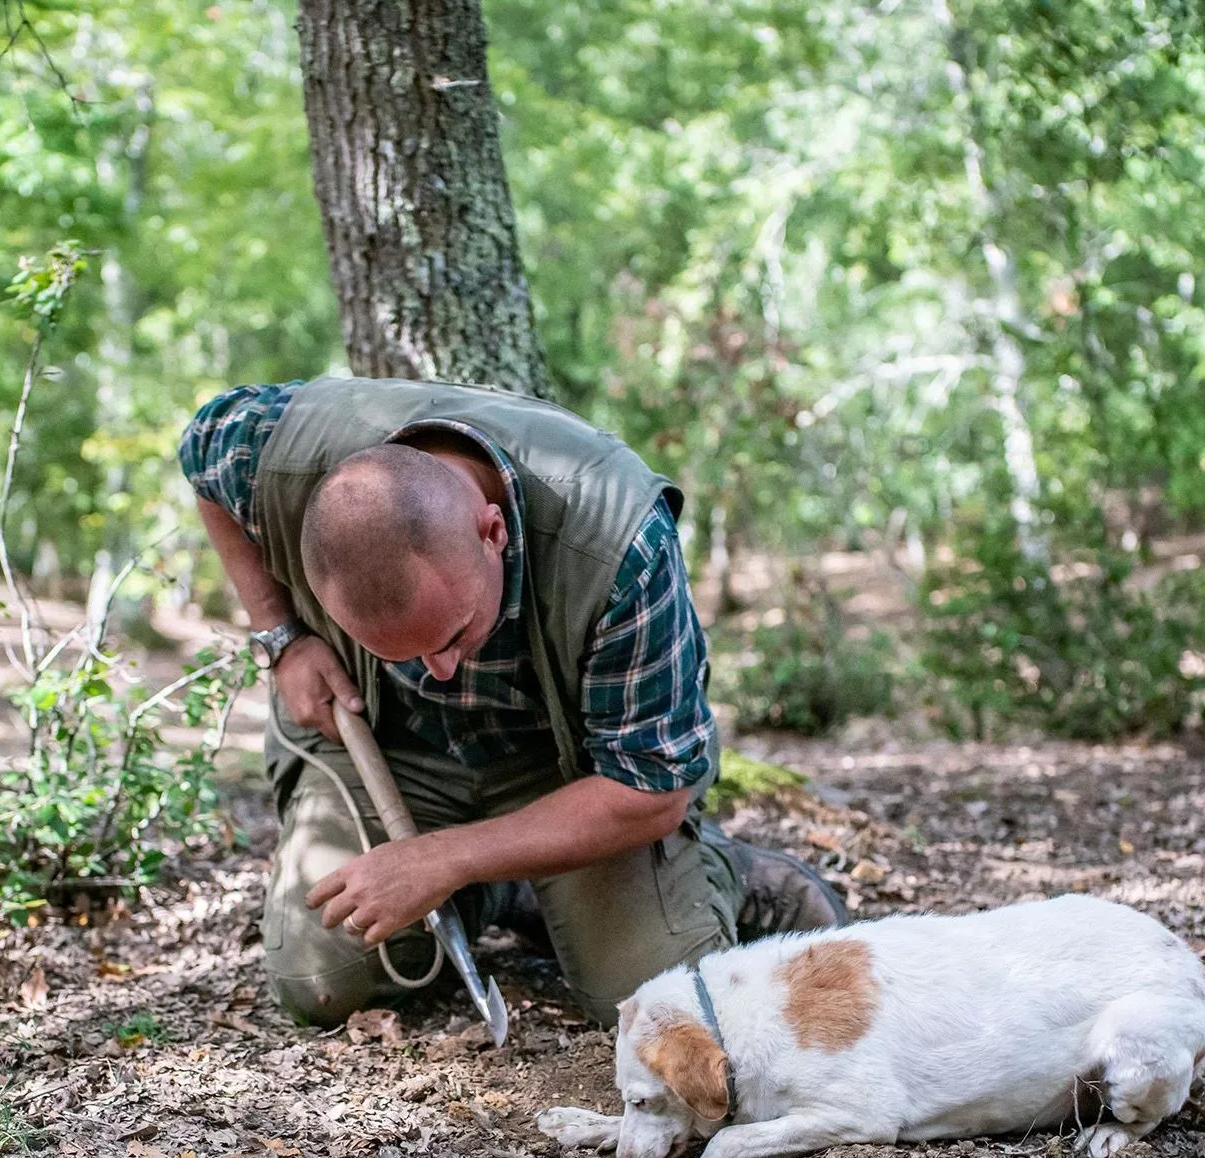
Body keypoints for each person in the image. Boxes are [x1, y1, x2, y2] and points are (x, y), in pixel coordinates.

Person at [179, 376, 844, 1027]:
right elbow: (202, 447)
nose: (437, 671)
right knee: (318, 981)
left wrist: (442, 859)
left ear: (491, 531)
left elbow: (652, 789)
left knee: (653, 994)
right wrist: (284, 636)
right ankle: (512, 889)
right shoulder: (281, 451)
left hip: (569, 773)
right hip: (392, 746)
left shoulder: (620, 542)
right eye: (400, 654)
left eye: (454, 634)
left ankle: (731, 876)